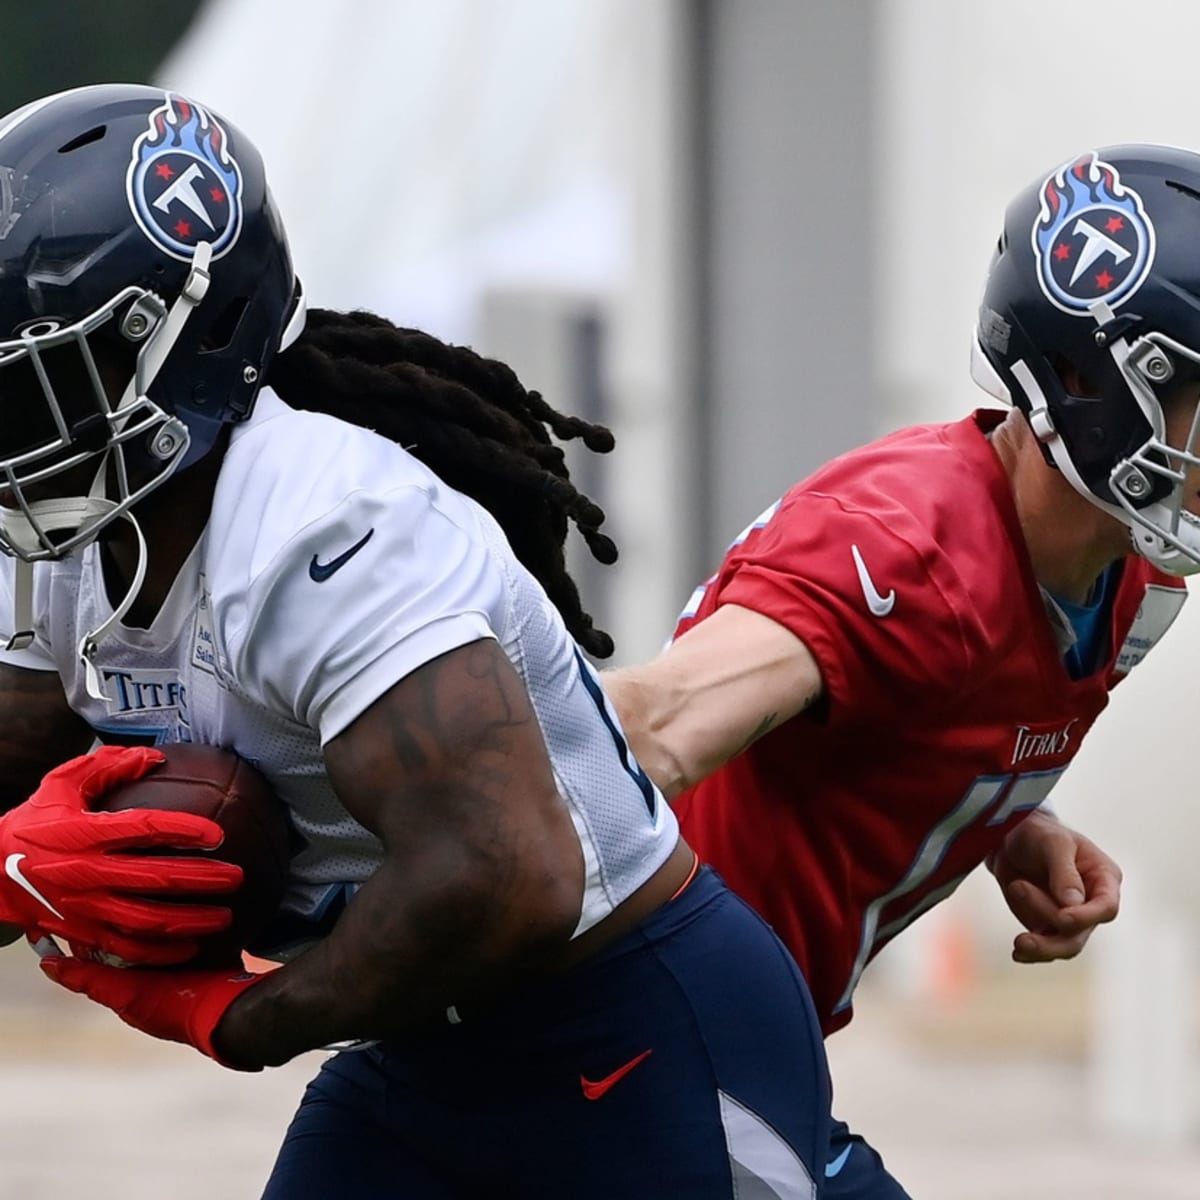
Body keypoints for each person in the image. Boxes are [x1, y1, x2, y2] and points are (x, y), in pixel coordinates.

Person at [0, 84, 833, 1198]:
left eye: (40, 373)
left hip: (629, 1021)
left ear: (178, 344)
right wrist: (15, 869)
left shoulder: (317, 522)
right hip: (426, 1046)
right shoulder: (57, 540)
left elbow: (505, 875)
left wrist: (238, 1016)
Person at [604, 143, 1200, 1199]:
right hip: (616, 1043)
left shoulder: (1131, 577)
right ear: (1092, 384)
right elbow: (640, 732)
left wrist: (1005, 817)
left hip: (722, 1042)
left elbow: (915, 708)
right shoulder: (907, 552)